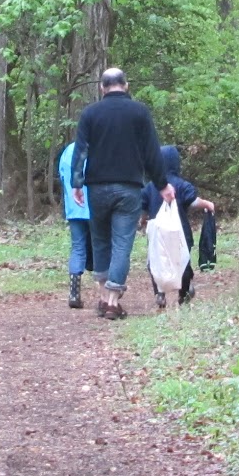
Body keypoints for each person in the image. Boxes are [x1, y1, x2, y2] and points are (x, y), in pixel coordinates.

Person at [70, 67, 173, 320]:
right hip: (128, 187)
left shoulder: (90, 113)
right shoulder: (139, 112)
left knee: (100, 240)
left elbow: (80, 151)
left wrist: (77, 183)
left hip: (97, 188)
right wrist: (161, 184)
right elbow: (152, 152)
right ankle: (113, 301)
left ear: (102, 88)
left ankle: (104, 297)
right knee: (122, 244)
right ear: (126, 85)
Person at [142, 144, 214, 308]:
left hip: (157, 232)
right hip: (181, 232)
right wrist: (207, 204)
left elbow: (143, 207)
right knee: (182, 261)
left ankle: (159, 293)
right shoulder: (181, 185)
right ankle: (184, 291)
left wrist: (142, 220)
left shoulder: (150, 186)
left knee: (156, 262)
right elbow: (193, 201)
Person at [57, 140, 92, 309]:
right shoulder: (96, 148)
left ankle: (74, 292)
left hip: (74, 208)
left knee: (78, 247)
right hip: (94, 206)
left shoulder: (68, 151)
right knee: (101, 246)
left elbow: (63, 176)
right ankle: (106, 292)